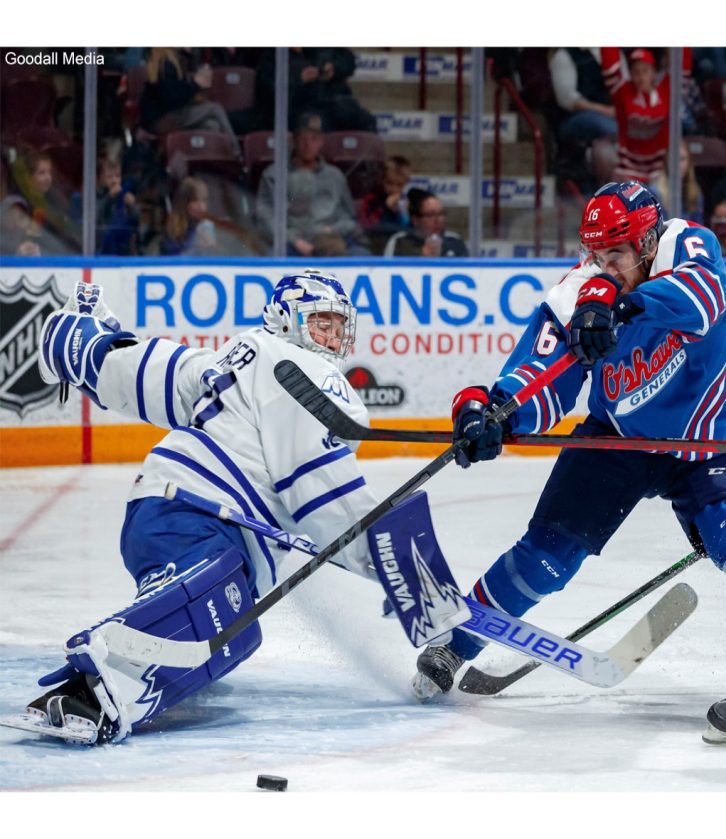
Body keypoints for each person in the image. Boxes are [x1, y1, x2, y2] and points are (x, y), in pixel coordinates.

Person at [413, 180, 726, 743]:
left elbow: (702, 301)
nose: (603, 266)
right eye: (596, 255)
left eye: (617, 254)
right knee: (545, 557)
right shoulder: (577, 292)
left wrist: (624, 302)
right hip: (618, 439)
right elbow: (543, 376)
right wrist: (497, 411)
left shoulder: (689, 245)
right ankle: (456, 644)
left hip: (700, 439)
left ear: (649, 242)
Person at [14, 270, 427, 744]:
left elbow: (154, 372)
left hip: (163, 508)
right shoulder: (303, 374)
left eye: (338, 326)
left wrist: (85, 350)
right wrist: (396, 566)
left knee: (228, 627)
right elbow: (324, 492)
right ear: (286, 320)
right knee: (215, 615)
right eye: (320, 324)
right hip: (203, 514)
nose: (332, 338)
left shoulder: (234, 358)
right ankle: (92, 692)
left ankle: (134, 659)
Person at [254, 111, 370, 257]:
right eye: (303, 138)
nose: (308, 145)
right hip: (291, 242)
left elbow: (348, 216)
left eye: (314, 139)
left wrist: (332, 230)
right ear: (293, 140)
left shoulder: (334, 176)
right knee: (271, 258)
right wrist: (295, 241)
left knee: (361, 256)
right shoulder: (274, 174)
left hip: (329, 240)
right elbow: (266, 218)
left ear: (321, 142)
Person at [602, 48, 692, 184]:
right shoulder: (622, 91)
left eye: (645, 71)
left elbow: (682, 67)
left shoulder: (666, 90)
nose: (640, 76)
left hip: (660, 170)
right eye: (636, 72)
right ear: (630, 74)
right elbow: (610, 67)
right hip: (628, 169)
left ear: (654, 73)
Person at [139, 48, 241, 159]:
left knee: (212, 125)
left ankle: (207, 166)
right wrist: (196, 84)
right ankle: (236, 154)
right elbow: (173, 100)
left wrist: (194, 87)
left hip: (167, 115)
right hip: (162, 119)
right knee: (215, 108)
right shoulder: (166, 63)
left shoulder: (174, 59)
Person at [548, 48, 618, 192]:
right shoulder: (564, 56)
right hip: (575, 118)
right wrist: (606, 111)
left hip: (612, 116)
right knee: (609, 127)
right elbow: (567, 100)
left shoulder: (612, 53)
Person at [383, 189, 468, 258]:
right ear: (415, 219)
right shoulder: (400, 242)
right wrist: (421, 259)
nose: (438, 220)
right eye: (430, 215)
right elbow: (387, 273)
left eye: (441, 214)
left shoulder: (454, 241)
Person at [357, 155, 412, 255]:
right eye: (389, 183)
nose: (394, 189)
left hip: (402, 247)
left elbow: (412, 230)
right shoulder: (371, 200)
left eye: (399, 185)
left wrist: (405, 213)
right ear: (382, 180)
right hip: (376, 246)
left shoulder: (407, 200)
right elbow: (367, 227)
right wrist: (386, 208)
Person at [160, 176, 219, 256]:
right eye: (195, 201)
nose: (201, 207)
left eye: (203, 200)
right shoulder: (172, 230)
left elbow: (213, 259)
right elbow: (172, 260)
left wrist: (211, 248)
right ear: (184, 203)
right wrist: (197, 247)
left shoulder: (207, 226)